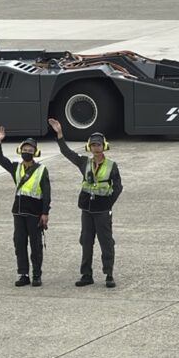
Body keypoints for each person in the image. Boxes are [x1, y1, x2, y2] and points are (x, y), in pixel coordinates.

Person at [47, 119, 122, 288]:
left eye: (99, 145)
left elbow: (118, 187)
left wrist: (109, 203)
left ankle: (109, 274)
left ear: (104, 146)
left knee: (106, 242)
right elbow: (67, 152)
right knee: (86, 241)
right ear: (90, 146)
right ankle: (86, 274)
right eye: (94, 145)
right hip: (87, 210)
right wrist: (59, 134)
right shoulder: (84, 162)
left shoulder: (112, 165)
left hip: (103, 210)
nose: (96, 148)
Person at [0, 125, 51, 287]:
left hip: (35, 213)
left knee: (36, 245)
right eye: (25, 148)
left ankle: (37, 274)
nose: (28, 151)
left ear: (35, 152)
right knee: (19, 244)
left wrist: (45, 213)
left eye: (31, 149)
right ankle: (23, 274)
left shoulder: (42, 170)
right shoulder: (16, 168)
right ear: (20, 150)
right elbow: (0, 159)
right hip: (18, 212)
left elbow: (47, 194)